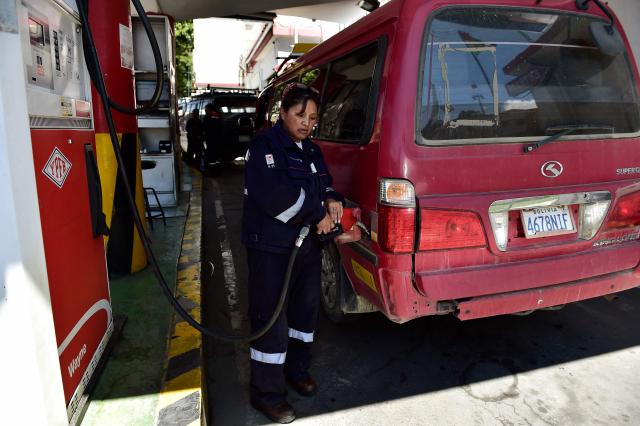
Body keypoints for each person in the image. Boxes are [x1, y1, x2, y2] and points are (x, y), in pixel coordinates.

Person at [241, 83, 344, 424]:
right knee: (270, 319)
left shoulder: (311, 151)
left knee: (304, 313)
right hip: (270, 247)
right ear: (283, 112)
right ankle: (267, 394)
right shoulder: (264, 146)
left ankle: (297, 371)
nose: (306, 123)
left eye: (312, 118)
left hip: (306, 248)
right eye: (300, 115)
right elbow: (274, 194)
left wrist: (331, 200)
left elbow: (325, 183)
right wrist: (319, 214)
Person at [202, 103, 224, 169]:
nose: (205, 111)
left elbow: (205, 127)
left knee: (210, 153)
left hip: (211, 138)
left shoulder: (207, 117)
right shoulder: (217, 116)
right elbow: (221, 126)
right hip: (216, 138)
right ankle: (216, 167)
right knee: (216, 154)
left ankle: (210, 167)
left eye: (206, 110)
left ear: (209, 109)